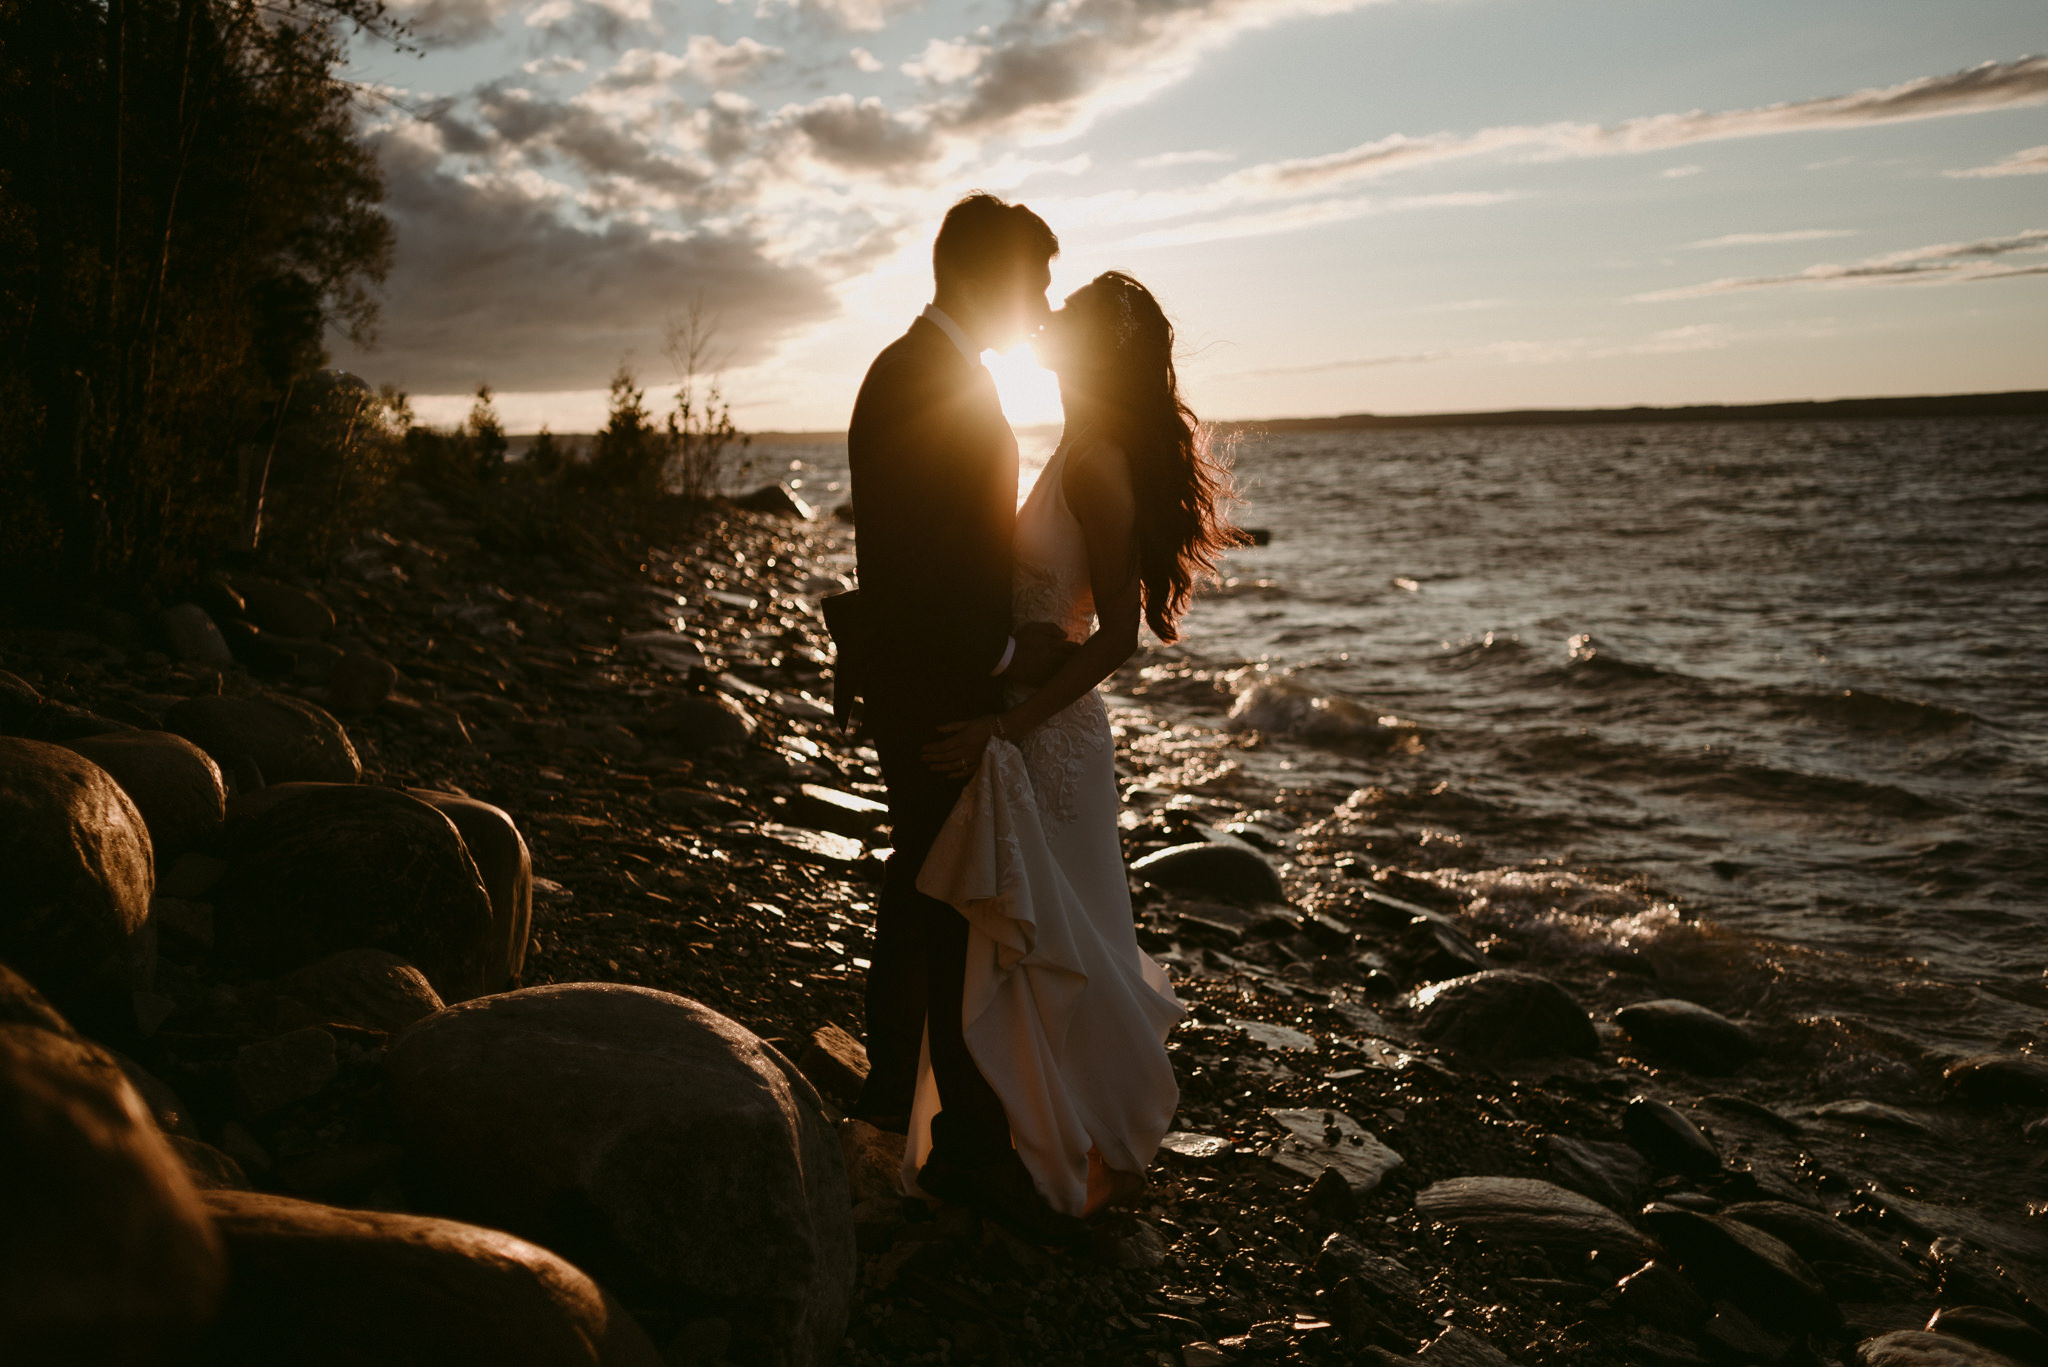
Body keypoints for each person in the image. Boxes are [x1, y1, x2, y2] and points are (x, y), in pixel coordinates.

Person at [913, 270, 1248, 1218]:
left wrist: (1007, 723)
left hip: (1050, 737)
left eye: (1064, 318)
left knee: (1070, 940)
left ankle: (1101, 1150)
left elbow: (1117, 635)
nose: (1045, 323)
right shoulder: (1072, 446)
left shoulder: (1098, 462)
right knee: (1049, 936)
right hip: (1032, 719)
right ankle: (1051, 1142)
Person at [845, 193, 1080, 1238]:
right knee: (944, 897)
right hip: (936, 683)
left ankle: (905, 1094)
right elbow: (915, 563)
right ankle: (954, 1143)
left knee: (925, 882)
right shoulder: (916, 378)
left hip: (934, 676)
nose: (1036, 302)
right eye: (1029, 282)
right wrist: (1005, 654)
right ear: (982, 276)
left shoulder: (940, 372)